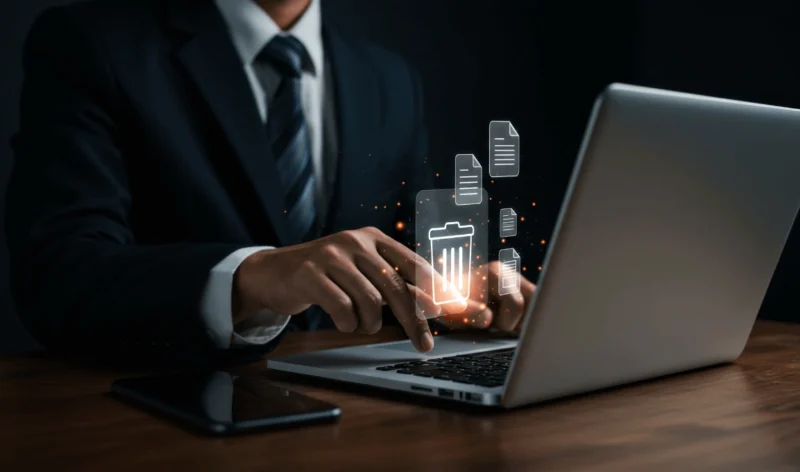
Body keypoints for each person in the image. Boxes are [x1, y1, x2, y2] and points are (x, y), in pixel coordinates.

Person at [6, 0, 535, 364]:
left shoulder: (388, 79)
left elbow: (406, 263)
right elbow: (58, 277)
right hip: (168, 417)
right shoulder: (93, 44)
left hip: (365, 419)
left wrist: (459, 300)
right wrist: (250, 277)